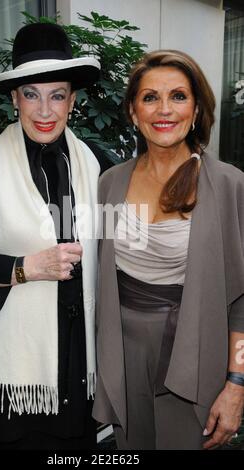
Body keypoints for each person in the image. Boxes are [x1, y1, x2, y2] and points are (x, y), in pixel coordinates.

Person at [0, 22, 112, 450]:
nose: (44, 111)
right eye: (32, 95)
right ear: (15, 99)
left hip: (84, 370)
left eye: (57, 95)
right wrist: (24, 268)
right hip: (15, 382)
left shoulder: (100, 164)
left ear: (73, 101)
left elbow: (121, 260)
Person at [92, 50, 244, 450]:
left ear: (196, 109)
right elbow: (98, 274)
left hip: (193, 349)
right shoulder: (109, 185)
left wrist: (236, 385)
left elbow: (242, 301)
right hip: (120, 354)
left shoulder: (229, 186)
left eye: (178, 96)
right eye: (150, 97)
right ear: (132, 111)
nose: (164, 110)